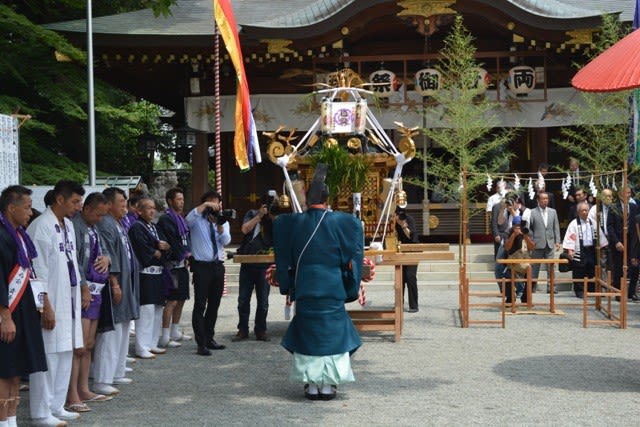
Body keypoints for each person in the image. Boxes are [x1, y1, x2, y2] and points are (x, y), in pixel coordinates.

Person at [273, 164, 363, 401]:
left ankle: (311, 384)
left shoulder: (291, 223)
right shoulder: (341, 222)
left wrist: (288, 285)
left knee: (309, 333)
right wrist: (351, 286)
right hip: (331, 286)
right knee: (333, 334)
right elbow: (353, 249)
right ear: (327, 198)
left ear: (307, 198)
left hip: (305, 286)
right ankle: (329, 384)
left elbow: (281, 242)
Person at [27, 180, 84, 425]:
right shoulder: (41, 227)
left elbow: (73, 261)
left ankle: (57, 405)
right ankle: (41, 412)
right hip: (51, 300)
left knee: (65, 352)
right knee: (49, 355)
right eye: (75, 202)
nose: (78, 207)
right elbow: (37, 272)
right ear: (59, 199)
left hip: (69, 297)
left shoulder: (68, 225)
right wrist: (45, 306)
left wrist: (82, 288)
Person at [0, 185, 47, 427]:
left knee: (16, 367)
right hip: (8, 310)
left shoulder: (19, 235)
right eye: (27, 207)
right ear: (11, 207)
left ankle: (11, 419)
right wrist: (4, 315)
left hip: (23, 309)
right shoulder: (1, 235)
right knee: (4, 368)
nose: (31, 213)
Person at [66, 193, 113, 413]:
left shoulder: (94, 228)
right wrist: (84, 287)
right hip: (83, 290)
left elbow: (106, 252)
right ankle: (71, 393)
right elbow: (73, 259)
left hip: (98, 291)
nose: (100, 219)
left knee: (90, 343)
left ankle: (84, 387)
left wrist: (107, 259)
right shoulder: (75, 226)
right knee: (80, 345)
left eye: (103, 215)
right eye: (97, 214)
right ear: (87, 209)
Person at [92, 187, 139, 395]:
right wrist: (115, 283)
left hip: (125, 282)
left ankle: (116, 371)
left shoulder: (118, 224)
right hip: (116, 284)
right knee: (111, 333)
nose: (125, 207)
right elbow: (107, 255)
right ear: (109, 204)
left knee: (123, 328)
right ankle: (102, 378)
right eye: (121, 203)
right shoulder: (106, 224)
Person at [185, 191, 231, 356]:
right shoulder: (196, 220)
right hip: (201, 267)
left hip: (217, 266)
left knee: (214, 304)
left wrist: (218, 225)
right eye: (210, 202)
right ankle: (201, 342)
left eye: (217, 202)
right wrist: (205, 206)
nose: (214, 205)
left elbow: (226, 241)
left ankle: (210, 337)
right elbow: (188, 220)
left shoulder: (222, 220)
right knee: (200, 305)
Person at [232, 192, 279, 342]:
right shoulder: (252, 213)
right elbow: (245, 229)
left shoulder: (274, 218)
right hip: (248, 261)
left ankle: (261, 330)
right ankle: (242, 329)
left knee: (263, 300)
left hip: (265, 264)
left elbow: (280, 233)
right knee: (243, 299)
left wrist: (273, 217)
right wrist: (259, 216)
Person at [128, 196, 171, 357]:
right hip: (145, 274)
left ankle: (152, 343)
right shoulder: (136, 227)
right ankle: (141, 346)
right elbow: (142, 249)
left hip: (158, 274)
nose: (152, 211)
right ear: (139, 210)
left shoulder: (154, 227)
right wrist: (156, 250)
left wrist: (166, 247)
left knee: (158, 309)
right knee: (146, 310)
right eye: (148, 208)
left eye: (153, 208)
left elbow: (165, 246)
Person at [156, 188, 191, 348]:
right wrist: (182, 253)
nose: (181, 202)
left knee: (182, 298)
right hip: (172, 264)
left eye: (183, 199)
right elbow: (171, 241)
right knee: (171, 301)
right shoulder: (166, 219)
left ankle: (175, 329)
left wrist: (188, 253)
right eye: (178, 199)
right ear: (170, 201)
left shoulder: (181, 218)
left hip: (182, 263)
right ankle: (164, 334)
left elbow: (185, 239)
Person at [563, 201, 606, 298]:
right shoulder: (574, 224)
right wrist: (570, 250)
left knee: (591, 269)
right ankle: (579, 290)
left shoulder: (593, 223)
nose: (585, 212)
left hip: (591, 250)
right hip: (580, 250)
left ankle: (591, 289)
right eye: (583, 210)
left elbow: (600, 236)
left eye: (587, 210)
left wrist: (602, 249)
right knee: (579, 270)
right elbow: (571, 237)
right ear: (578, 212)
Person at [606, 187, 639, 301]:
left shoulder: (634, 207)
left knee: (634, 267)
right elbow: (609, 226)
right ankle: (618, 292)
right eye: (625, 193)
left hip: (632, 242)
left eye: (629, 192)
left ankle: (631, 292)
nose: (628, 195)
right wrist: (616, 242)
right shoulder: (614, 208)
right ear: (620, 195)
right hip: (618, 241)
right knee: (618, 268)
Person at [527, 192, 561, 293]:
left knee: (551, 267)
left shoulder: (553, 212)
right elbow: (529, 228)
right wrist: (531, 240)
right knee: (534, 266)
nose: (545, 200)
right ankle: (532, 286)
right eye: (543, 199)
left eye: (546, 199)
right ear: (538, 200)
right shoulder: (532, 212)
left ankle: (551, 287)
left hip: (549, 242)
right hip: (537, 243)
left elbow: (556, 227)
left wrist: (557, 241)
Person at [504, 216, 535, 304]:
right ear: (513, 225)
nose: (518, 227)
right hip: (513, 261)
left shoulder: (527, 231)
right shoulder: (508, 232)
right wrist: (513, 235)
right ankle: (510, 299)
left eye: (520, 225)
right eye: (516, 225)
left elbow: (532, 247)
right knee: (507, 277)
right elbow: (507, 247)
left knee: (532, 277)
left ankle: (526, 298)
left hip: (526, 260)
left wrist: (525, 236)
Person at [395, 206, 419, 312]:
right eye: (398, 214)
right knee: (400, 278)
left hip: (413, 250)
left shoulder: (409, 219)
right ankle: (399, 304)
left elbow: (412, 237)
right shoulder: (394, 223)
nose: (400, 216)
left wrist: (404, 226)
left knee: (410, 276)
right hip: (401, 251)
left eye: (402, 214)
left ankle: (414, 305)